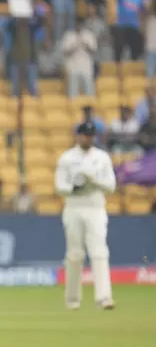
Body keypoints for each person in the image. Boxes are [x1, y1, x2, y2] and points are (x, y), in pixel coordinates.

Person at [55, 121, 116, 311]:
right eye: (85, 135)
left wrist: (94, 180)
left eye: (91, 136)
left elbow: (111, 186)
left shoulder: (102, 158)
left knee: (99, 252)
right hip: (74, 207)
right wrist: (75, 187)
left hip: (96, 208)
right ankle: (72, 299)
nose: (88, 139)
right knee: (74, 254)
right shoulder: (66, 158)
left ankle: (104, 297)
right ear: (78, 136)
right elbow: (60, 186)